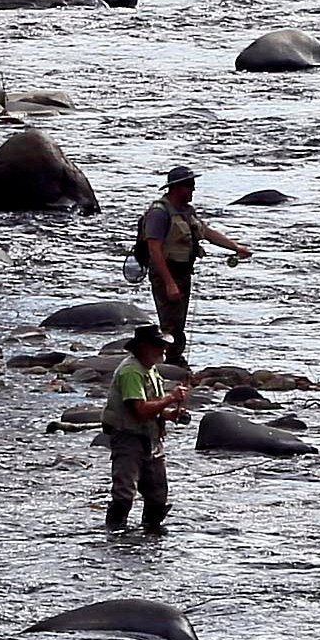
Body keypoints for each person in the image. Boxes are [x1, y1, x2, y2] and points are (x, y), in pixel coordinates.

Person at [139, 165, 252, 366]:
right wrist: (168, 282)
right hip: (167, 272)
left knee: (178, 321)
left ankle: (172, 360)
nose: (193, 189)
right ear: (176, 188)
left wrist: (235, 247)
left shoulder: (186, 211)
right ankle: (168, 363)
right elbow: (154, 250)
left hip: (183, 271)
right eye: (189, 185)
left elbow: (206, 232)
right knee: (170, 323)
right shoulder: (159, 213)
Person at [101, 324, 189, 533]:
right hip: (129, 440)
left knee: (158, 497)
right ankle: (115, 537)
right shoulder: (131, 372)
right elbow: (139, 410)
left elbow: (150, 407)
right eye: (158, 345)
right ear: (142, 347)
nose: (164, 349)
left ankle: (150, 535)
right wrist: (170, 398)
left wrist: (169, 415)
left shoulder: (150, 369)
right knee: (124, 496)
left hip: (151, 440)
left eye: (164, 345)